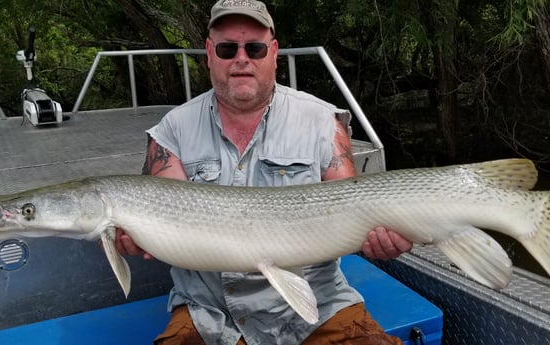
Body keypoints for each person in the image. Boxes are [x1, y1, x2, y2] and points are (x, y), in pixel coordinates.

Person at [114, 1, 413, 344]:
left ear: (273, 53)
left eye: (254, 48)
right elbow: (164, 222)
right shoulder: (170, 132)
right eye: (228, 48)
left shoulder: (321, 122)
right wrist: (137, 237)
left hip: (319, 305)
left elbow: (352, 207)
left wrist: (382, 235)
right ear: (210, 53)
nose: (242, 58)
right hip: (210, 313)